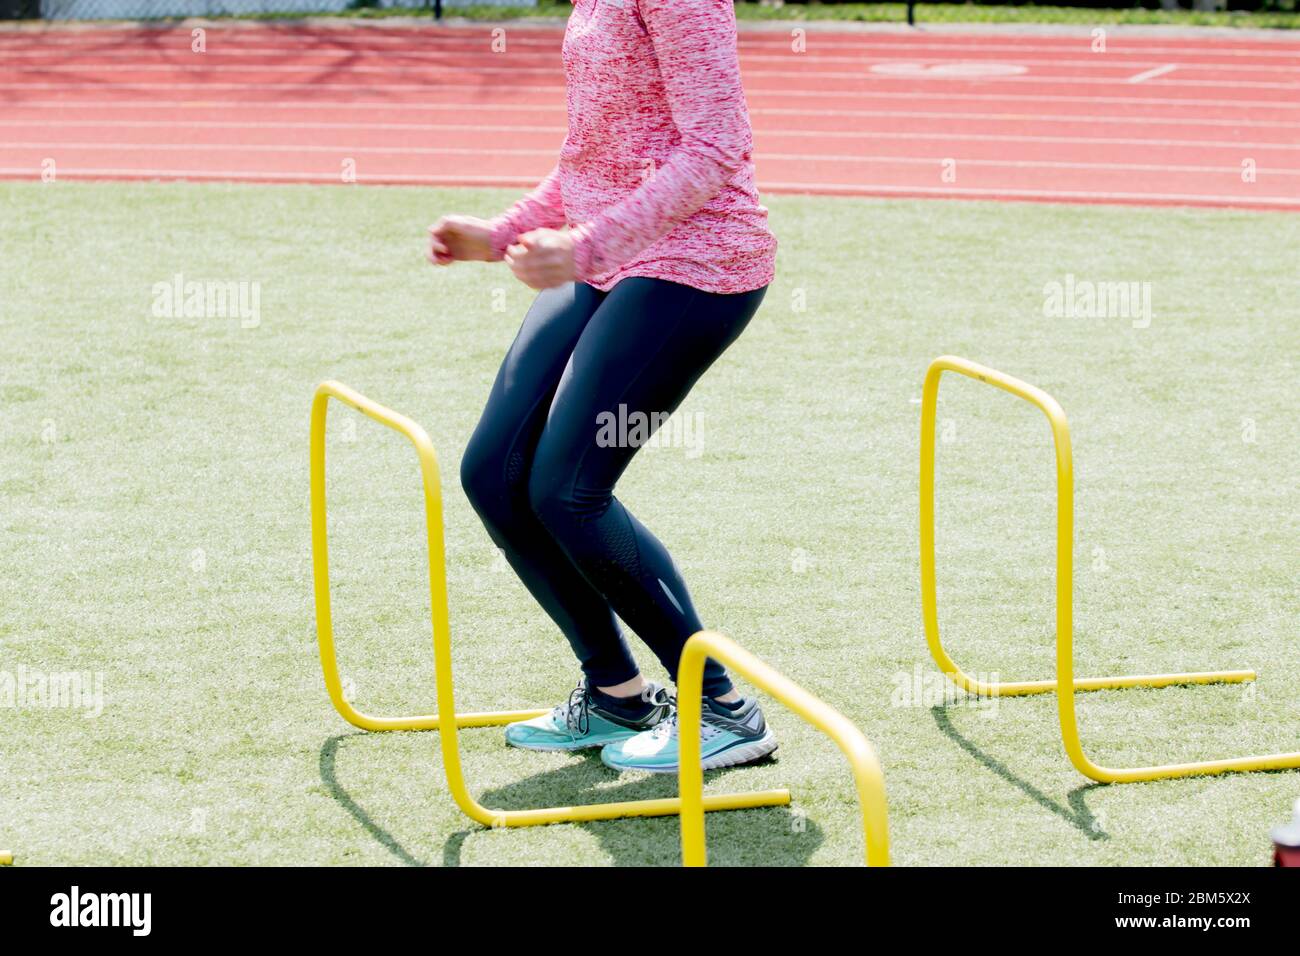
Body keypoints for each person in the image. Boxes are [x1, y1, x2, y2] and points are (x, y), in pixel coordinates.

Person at [427, 0, 777, 773]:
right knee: (494, 474)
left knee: (568, 491)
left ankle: (725, 709)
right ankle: (617, 694)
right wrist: (506, 233)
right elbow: (596, 157)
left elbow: (717, 147)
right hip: (606, 258)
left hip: (696, 260)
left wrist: (587, 245)